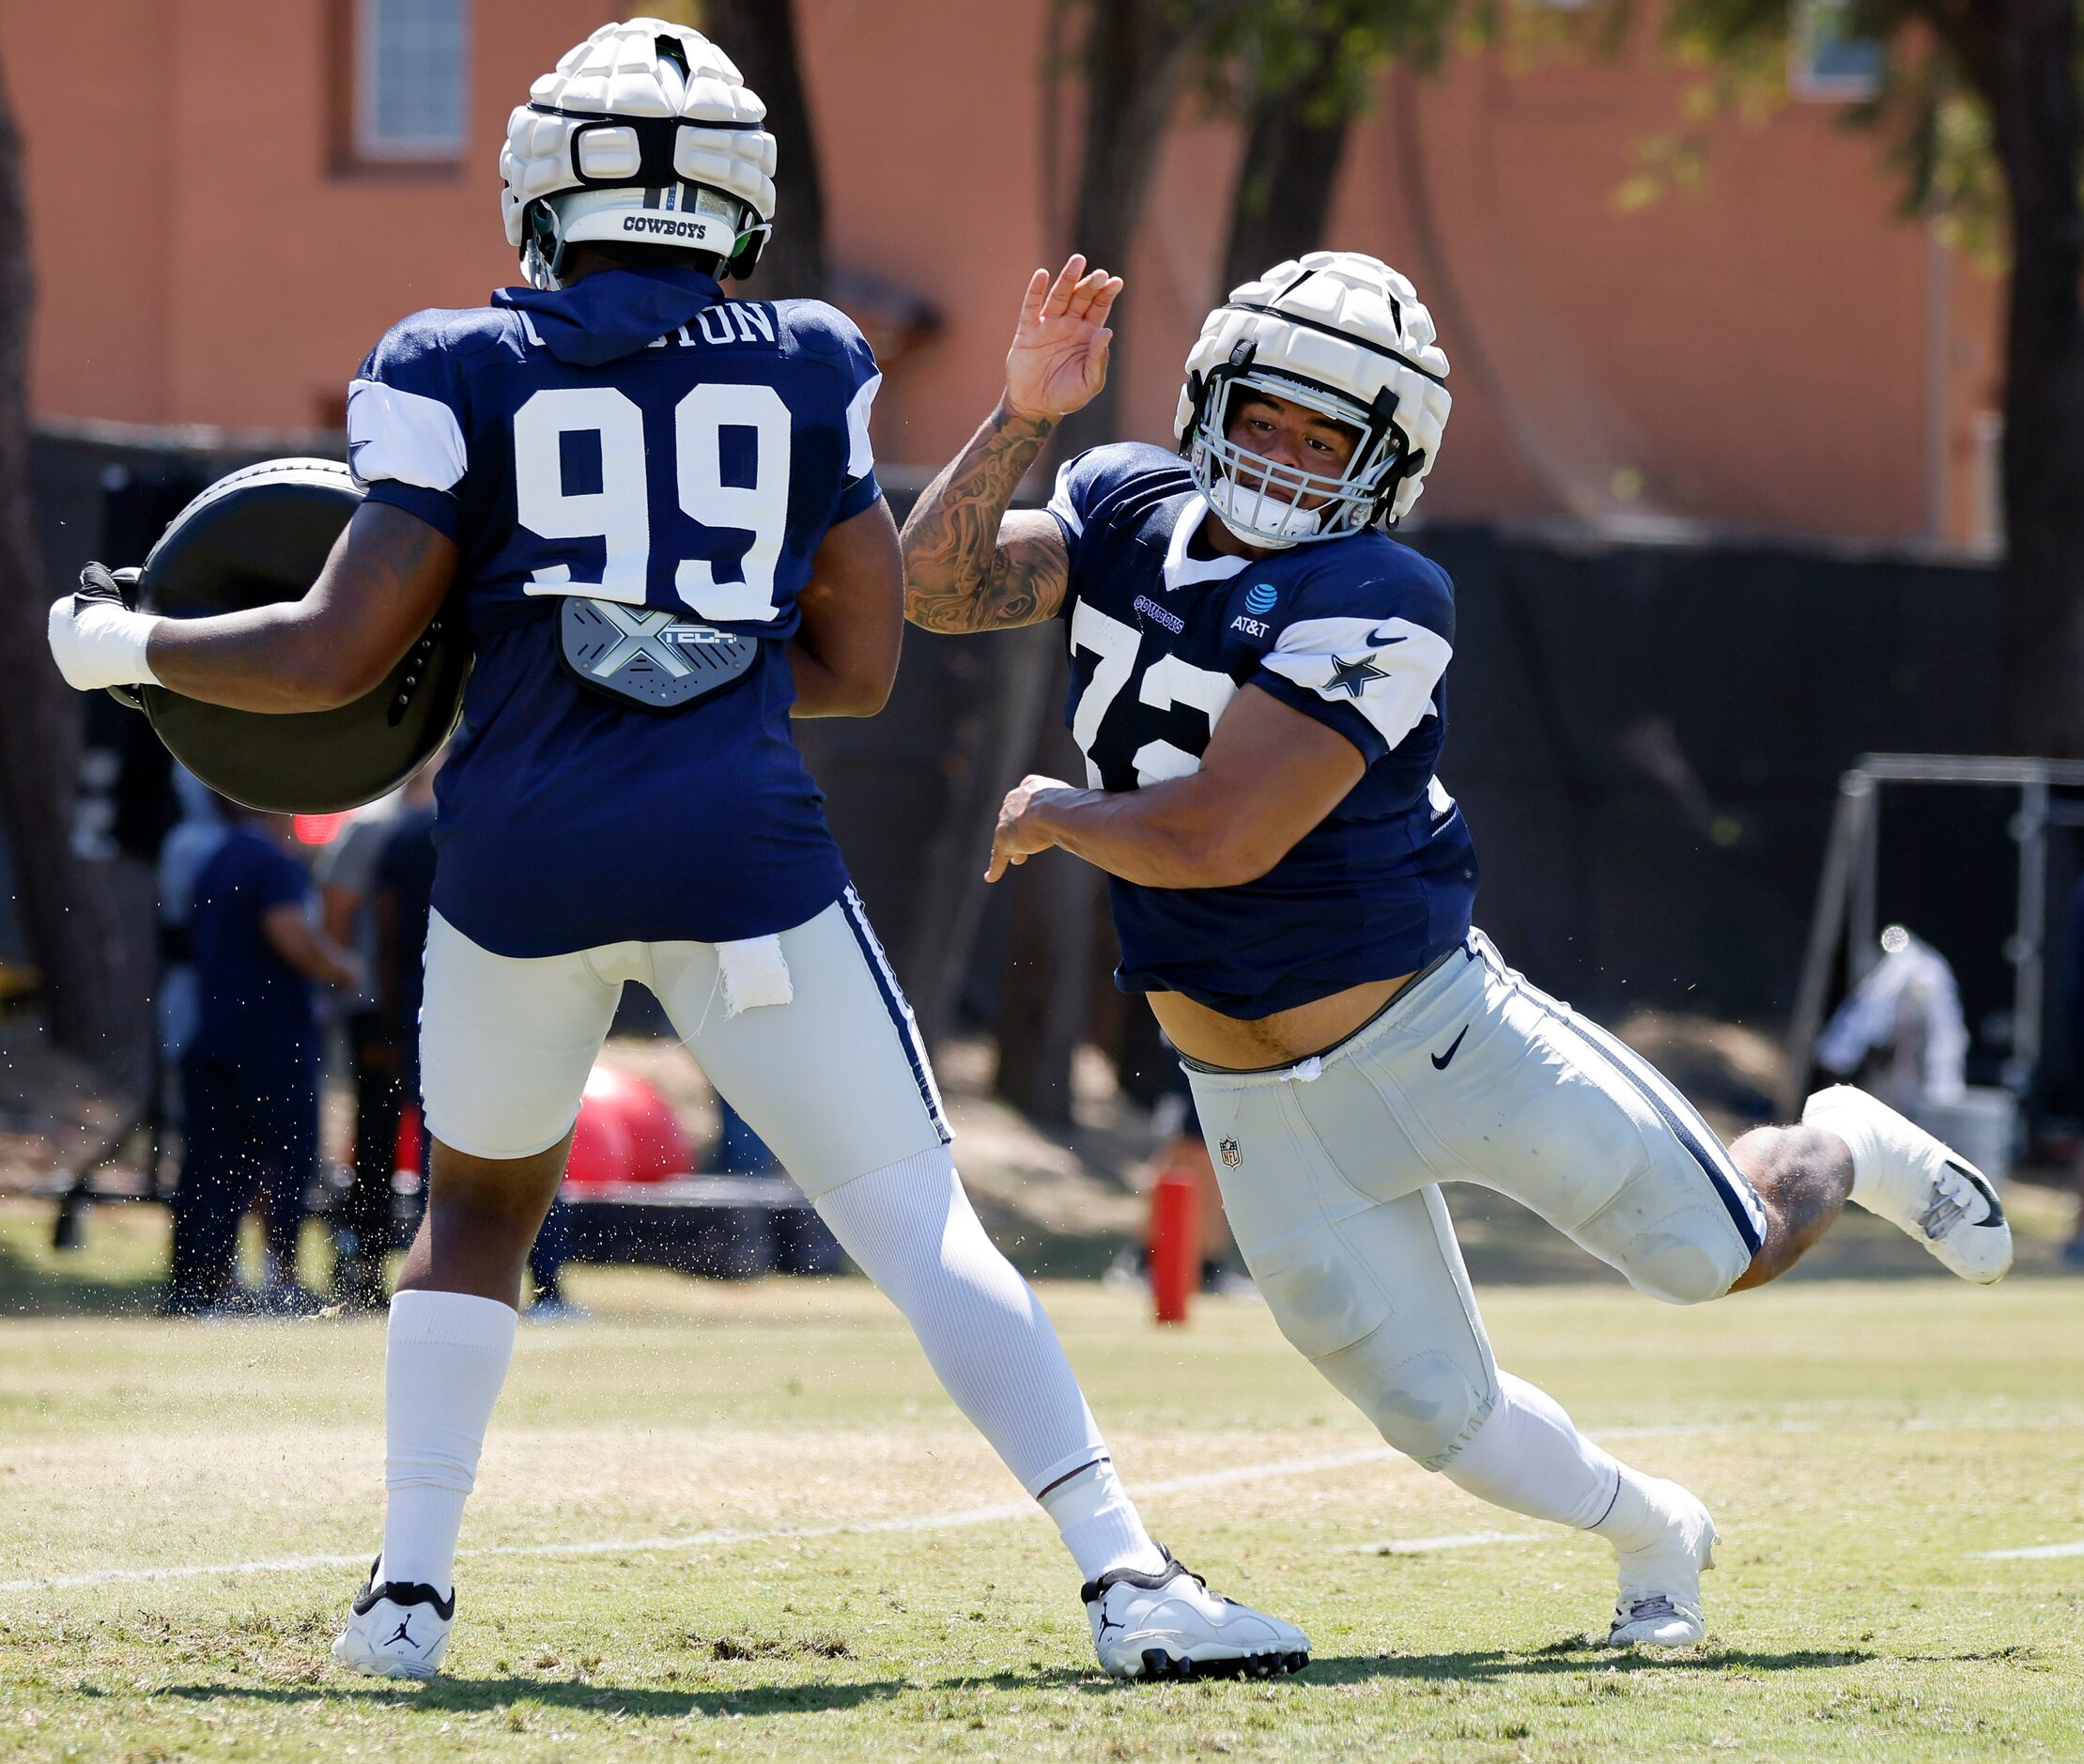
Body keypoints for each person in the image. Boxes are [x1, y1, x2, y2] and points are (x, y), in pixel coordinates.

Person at [46, 19, 1304, 1686]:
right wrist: (678, 665)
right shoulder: (802, 356)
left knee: (479, 1206)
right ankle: (1126, 1576)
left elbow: (333, 655)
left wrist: (125, 646)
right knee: (919, 1221)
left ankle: (405, 1601)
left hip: (513, 863)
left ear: (537, 189)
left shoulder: (448, 357)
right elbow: (858, 666)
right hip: (739, 851)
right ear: (736, 195)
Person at [901, 249, 2015, 1648]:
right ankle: (1654, 1531)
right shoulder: (1122, 498)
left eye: (1324, 437)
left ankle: (1849, 1140)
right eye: (1262, 418)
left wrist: (1058, 810)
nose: (1283, 456)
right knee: (1434, 1413)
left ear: (1387, 460)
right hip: (1242, 1091)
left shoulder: (1382, 590)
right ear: (1207, 400)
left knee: (1703, 1255)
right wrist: (1018, 415)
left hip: (1437, 1033)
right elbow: (936, 589)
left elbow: (1221, 836)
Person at [169, 803, 362, 1314]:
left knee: (220, 1161)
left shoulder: (215, 859)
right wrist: (343, 968)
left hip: (214, 1032)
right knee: (288, 1156)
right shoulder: (273, 864)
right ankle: (280, 1276)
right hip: (273, 1037)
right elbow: (291, 934)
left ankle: (205, 1282)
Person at [315, 784, 409, 1308]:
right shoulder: (374, 826)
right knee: (376, 1135)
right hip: (381, 1006)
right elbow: (338, 908)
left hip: (435, 999)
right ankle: (364, 1259)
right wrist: (348, 986)